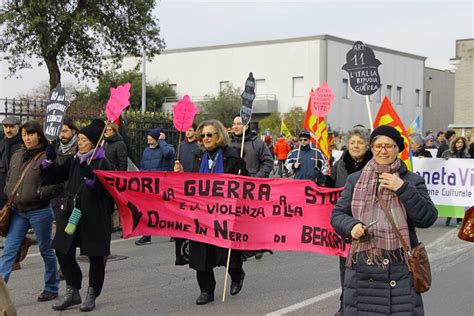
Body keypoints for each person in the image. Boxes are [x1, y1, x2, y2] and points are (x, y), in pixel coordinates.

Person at [331, 125, 438, 315]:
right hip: (363, 267)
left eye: (389, 146)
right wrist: (352, 226)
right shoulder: (355, 179)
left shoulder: (412, 180)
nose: (383, 150)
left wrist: (402, 188)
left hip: (400, 266)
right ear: (371, 149)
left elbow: (427, 218)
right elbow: (338, 215)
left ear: (398, 149)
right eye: (378, 146)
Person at [174, 119, 247, 305]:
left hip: (224, 214)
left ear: (219, 136)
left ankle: (237, 275)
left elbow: (246, 185)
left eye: (209, 135)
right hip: (201, 214)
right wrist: (181, 173)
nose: (205, 138)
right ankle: (206, 290)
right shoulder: (198, 156)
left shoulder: (232, 157)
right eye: (203, 135)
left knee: (227, 252)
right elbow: (191, 182)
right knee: (201, 254)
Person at [48, 119, 114, 312]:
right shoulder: (75, 159)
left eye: (84, 140)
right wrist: (49, 162)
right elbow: (56, 176)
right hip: (72, 213)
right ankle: (72, 290)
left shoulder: (103, 161)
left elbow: (105, 193)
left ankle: (92, 293)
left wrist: (93, 181)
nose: (80, 142)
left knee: (95, 256)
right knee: (62, 249)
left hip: (95, 216)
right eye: (80, 139)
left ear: (93, 143)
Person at [0, 120, 62, 302]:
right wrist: (8, 193)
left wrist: (38, 193)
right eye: (25, 135)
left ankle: (51, 287)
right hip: (18, 210)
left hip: (39, 211)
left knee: (45, 250)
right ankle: (1, 292)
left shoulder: (48, 156)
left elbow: (58, 185)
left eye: (31, 134)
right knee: (9, 251)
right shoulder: (17, 155)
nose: (27, 138)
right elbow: (11, 178)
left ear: (39, 135)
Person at [324, 127, 373, 316]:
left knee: (368, 269)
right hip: (346, 224)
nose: (355, 146)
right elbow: (332, 185)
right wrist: (322, 180)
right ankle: (346, 306)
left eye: (360, 142)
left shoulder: (374, 164)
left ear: (367, 145)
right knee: (347, 269)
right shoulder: (341, 164)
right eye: (352, 142)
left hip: (368, 224)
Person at [230, 114, 273, 259]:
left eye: (238, 124)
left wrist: (257, 178)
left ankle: (257, 245)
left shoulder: (258, 143)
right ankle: (239, 248)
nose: (235, 126)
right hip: (234, 189)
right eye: (233, 124)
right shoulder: (229, 145)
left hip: (253, 188)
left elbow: (268, 162)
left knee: (253, 219)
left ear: (246, 126)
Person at [0, 116, 33, 271]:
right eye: (5, 126)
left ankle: (13, 260)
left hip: (16, 192)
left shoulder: (23, 145)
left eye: (11, 126)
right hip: (2, 190)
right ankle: (23, 242)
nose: (8, 129)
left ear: (18, 127)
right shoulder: (2, 144)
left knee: (12, 225)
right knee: (4, 224)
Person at [135, 127, 175, 246]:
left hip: (163, 184)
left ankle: (174, 232)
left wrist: (162, 141)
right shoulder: (146, 151)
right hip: (150, 186)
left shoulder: (168, 148)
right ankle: (146, 235)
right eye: (148, 140)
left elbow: (168, 154)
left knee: (168, 209)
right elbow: (142, 165)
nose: (149, 142)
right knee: (147, 210)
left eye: (151, 139)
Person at [441, 136, 471, 228]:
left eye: (461, 142)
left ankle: (459, 220)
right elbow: (439, 163)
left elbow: (468, 166)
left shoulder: (466, 155)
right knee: (450, 200)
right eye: (458, 142)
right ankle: (449, 217)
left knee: (459, 201)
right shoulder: (446, 153)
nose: (460, 144)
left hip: (460, 181)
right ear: (454, 143)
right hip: (449, 180)